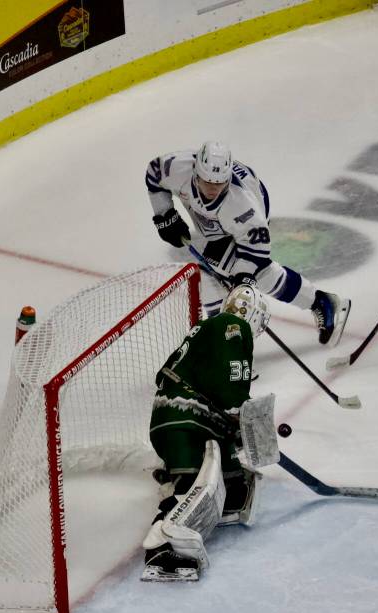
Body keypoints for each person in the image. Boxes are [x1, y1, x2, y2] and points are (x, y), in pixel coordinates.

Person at [145, 140, 350, 346]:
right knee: (213, 270)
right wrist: (164, 215)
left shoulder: (243, 205)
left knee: (252, 272)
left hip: (248, 216)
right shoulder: (177, 168)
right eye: (207, 182)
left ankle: (319, 302)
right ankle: (320, 303)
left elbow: (257, 253)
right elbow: (154, 174)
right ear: (195, 173)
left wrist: (242, 280)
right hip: (216, 222)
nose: (212, 190)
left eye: (219, 184)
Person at [141, 284, 270, 581]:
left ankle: (216, 493)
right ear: (252, 314)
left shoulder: (207, 328)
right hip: (185, 420)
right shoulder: (233, 325)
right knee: (190, 488)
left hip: (179, 418)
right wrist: (243, 414)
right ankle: (159, 548)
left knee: (234, 486)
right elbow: (229, 391)